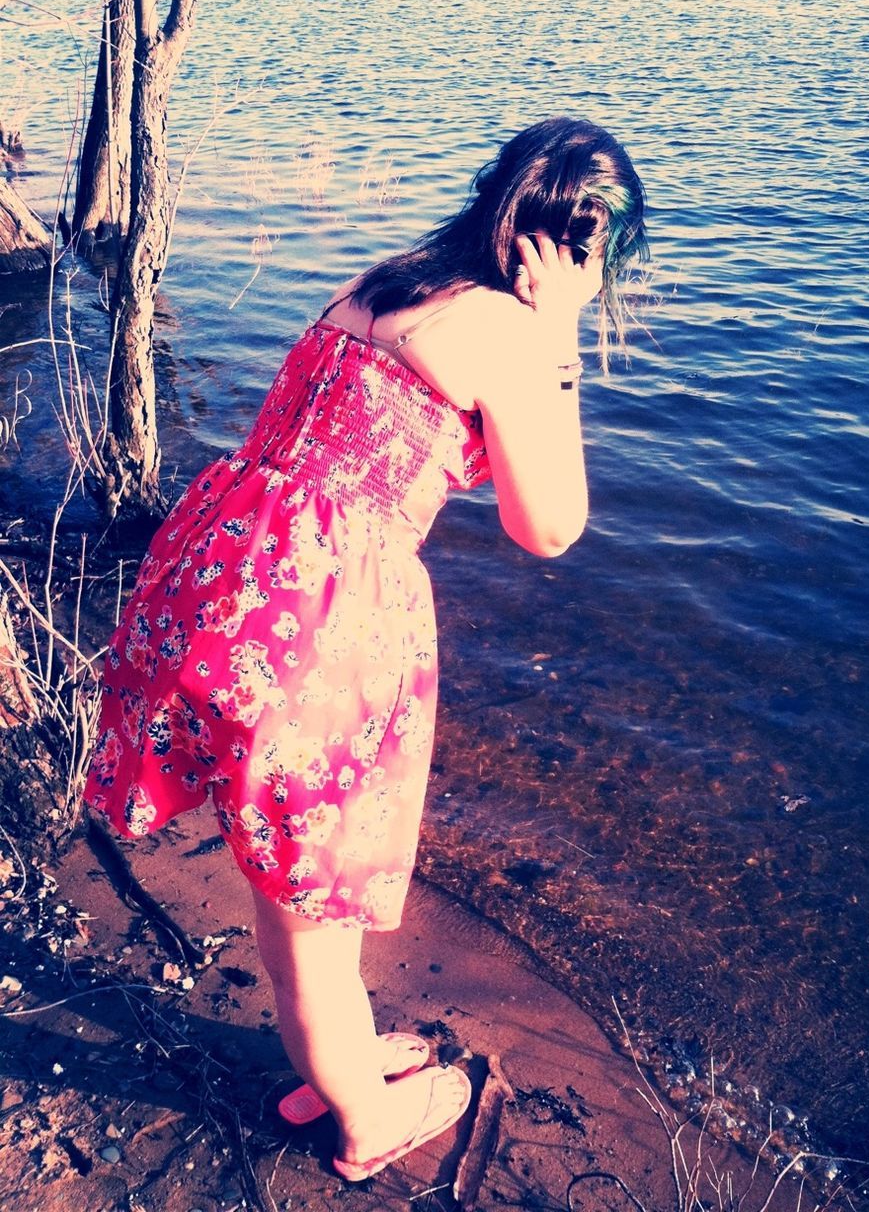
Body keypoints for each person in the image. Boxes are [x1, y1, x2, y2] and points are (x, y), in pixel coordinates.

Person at [84, 117, 647, 1181]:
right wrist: (560, 337)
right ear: (580, 254)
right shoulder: (511, 331)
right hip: (320, 613)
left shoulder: (388, 279)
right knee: (310, 904)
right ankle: (356, 1111)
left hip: (220, 563)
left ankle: (331, 1049)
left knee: (279, 863)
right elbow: (550, 526)